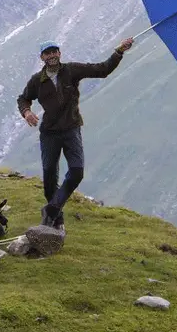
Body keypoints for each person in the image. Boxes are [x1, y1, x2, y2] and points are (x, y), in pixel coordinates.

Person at [17, 38, 134, 230]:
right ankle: (56, 222)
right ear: (42, 57)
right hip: (49, 133)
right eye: (48, 53)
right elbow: (23, 98)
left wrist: (119, 51)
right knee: (49, 178)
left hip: (71, 129)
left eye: (55, 51)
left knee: (77, 172)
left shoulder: (71, 70)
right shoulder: (37, 81)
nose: (52, 55)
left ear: (60, 53)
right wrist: (27, 112)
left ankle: (52, 210)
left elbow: (102, 70)